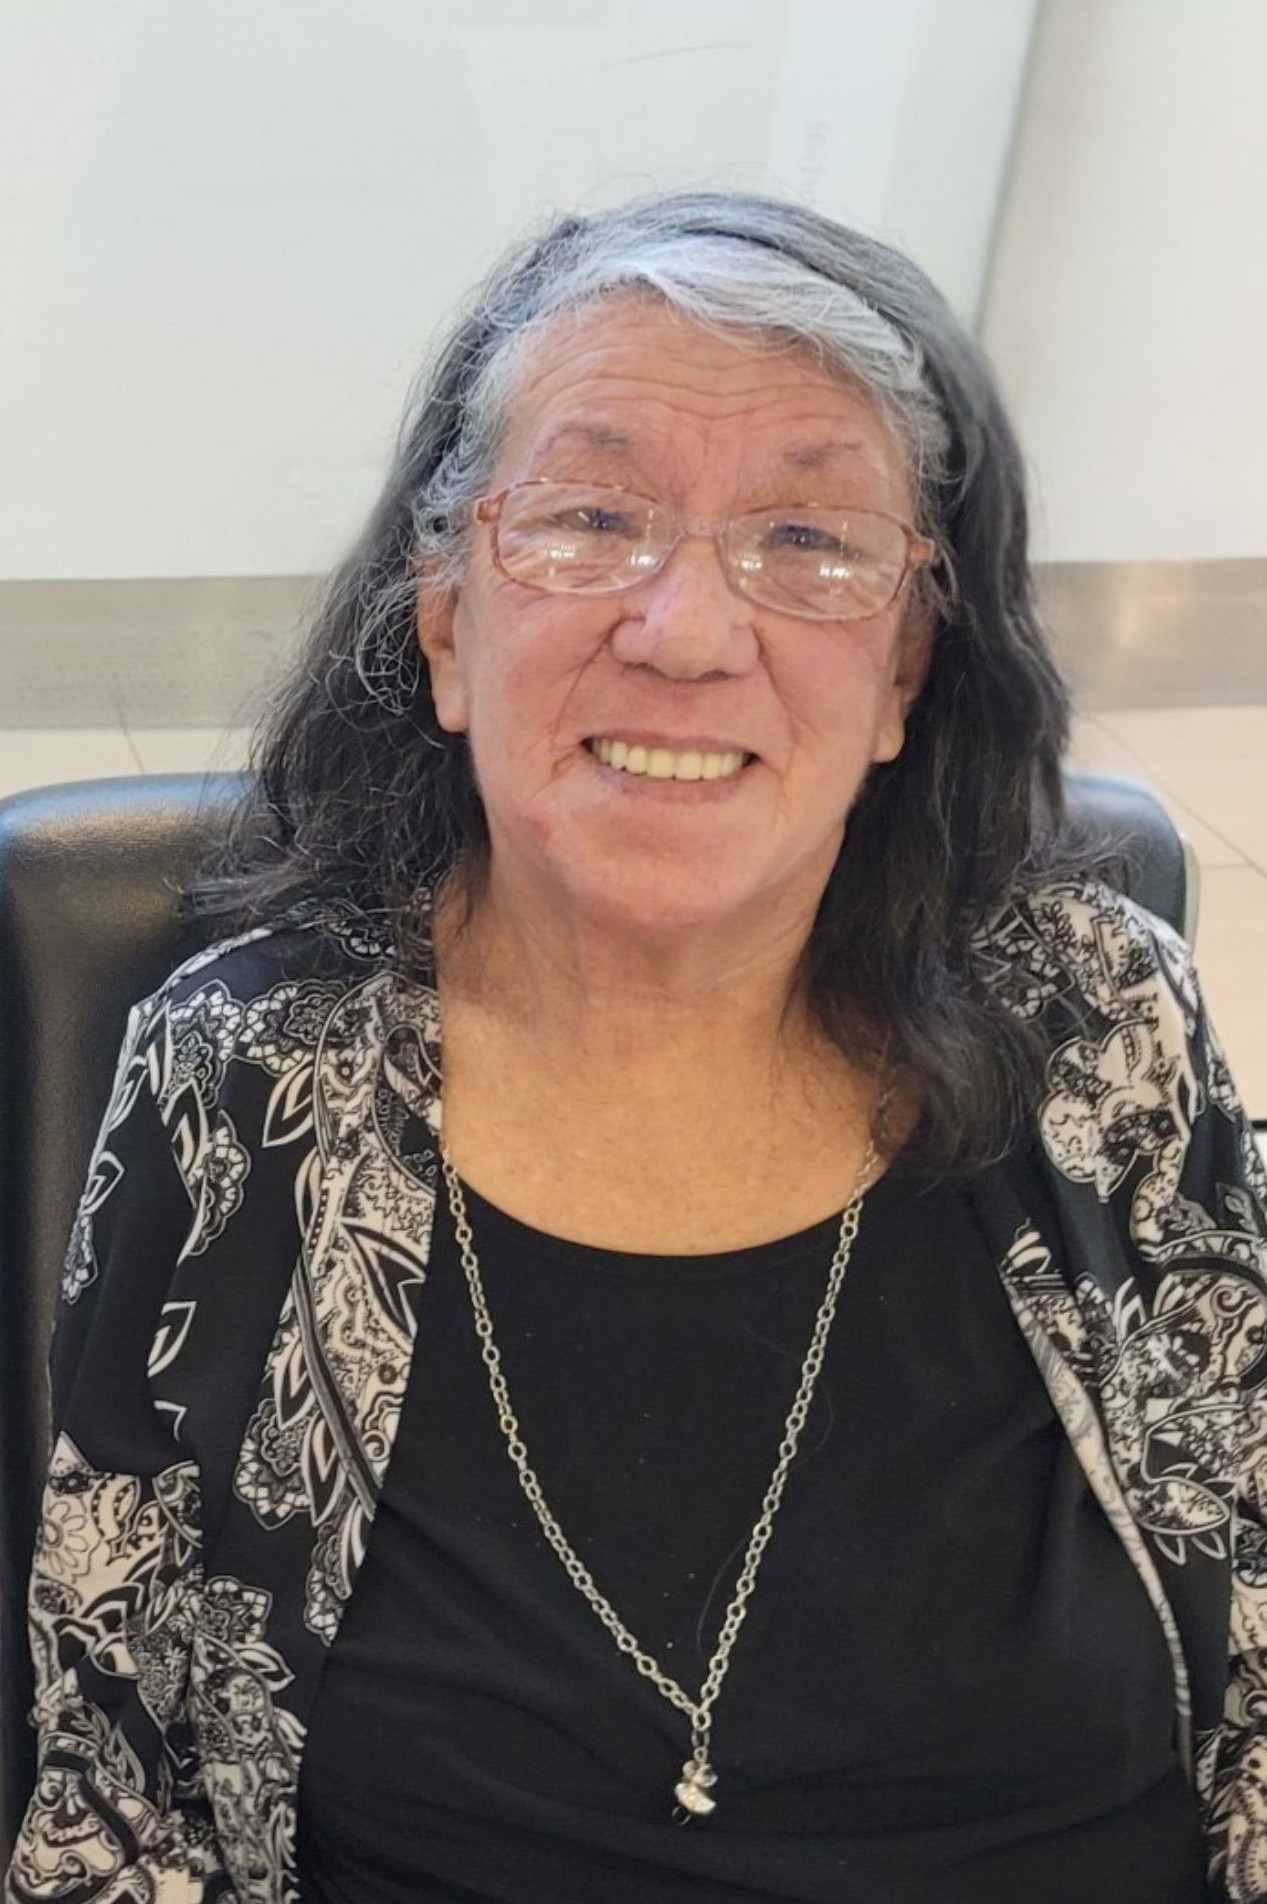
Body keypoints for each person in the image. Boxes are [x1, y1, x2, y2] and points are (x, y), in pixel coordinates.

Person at [6, 192, 1266, 1904]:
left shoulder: (1102, 1020)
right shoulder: (246, 1077)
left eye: (809, 540)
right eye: (593, 518)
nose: (686, 630)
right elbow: (120, 1801)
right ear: (447, 625)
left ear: (905, 669)